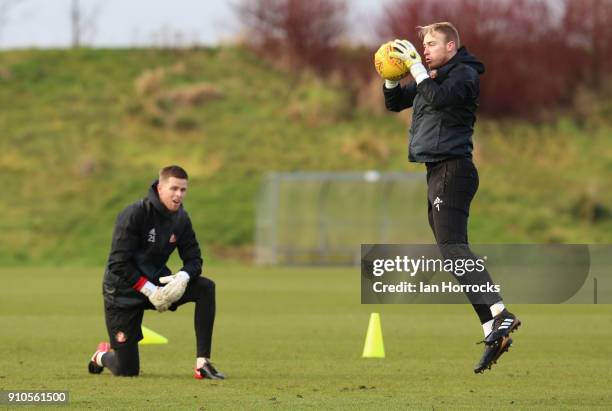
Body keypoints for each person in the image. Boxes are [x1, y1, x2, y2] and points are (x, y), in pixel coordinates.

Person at [382, 22, 521, 373]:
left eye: (431, 44)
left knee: (453, 247)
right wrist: (389, 73)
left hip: (453, 170)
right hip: (438, 172)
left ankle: (500, 314)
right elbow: (396, 101)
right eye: (422, 44)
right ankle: (492, 326)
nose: (423, 49)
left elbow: (440, 97)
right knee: (451, 252)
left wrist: (416, 68)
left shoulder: (462, 74)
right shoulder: (434, 75)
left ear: (452, 47)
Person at [87, 165, 224, 379]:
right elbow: (117, 263)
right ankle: (102, 355)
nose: (179, 195)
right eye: (174, 188)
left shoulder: (181, 219)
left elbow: (194, 259)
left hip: (157, 284)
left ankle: (202, 363)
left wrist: (183, 276)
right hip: (122, 293)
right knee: (127, 370)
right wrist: (149, 290)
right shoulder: (134, 214)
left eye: (183, 190)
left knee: (206, 288)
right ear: (160, 188)